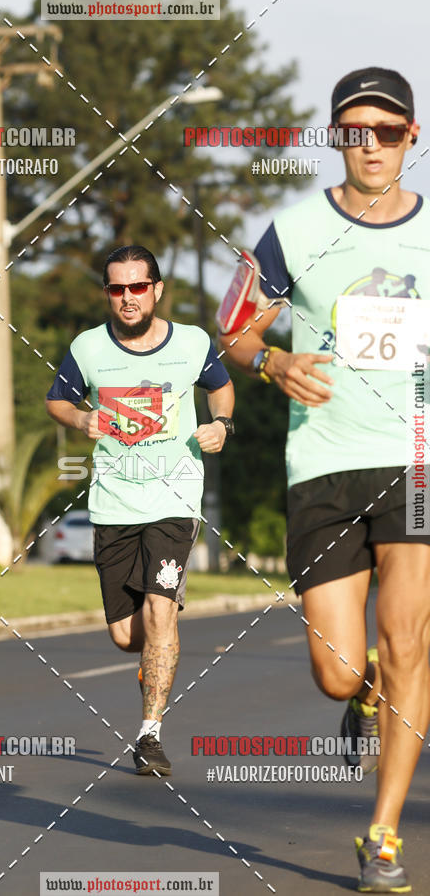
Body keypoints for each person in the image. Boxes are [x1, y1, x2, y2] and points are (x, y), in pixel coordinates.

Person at [219, 68, 430, 893]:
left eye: (387, 129)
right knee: (340, 671)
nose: (370, 144)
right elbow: (233, 330)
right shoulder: (291, 232)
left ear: (413, 136)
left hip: (416, 457)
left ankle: (382, 835)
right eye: (355, 131)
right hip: (324, 465)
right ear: (336, 138)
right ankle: (365, 691)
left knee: (409, 642)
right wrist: (270, 362)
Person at [46, 244, 235, 776]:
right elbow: (56, 400)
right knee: (128, 636)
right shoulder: (88, 348)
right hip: (113, 502)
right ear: (107, 293)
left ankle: (149, 735)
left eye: (137, 287)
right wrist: (80, 420)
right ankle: (156, 640)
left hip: (175, 498)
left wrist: (222, 425)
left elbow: (222, 389)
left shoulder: (193, 343)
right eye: (116, 288)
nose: (127, 298)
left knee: (159, 612)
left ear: (156, 289)